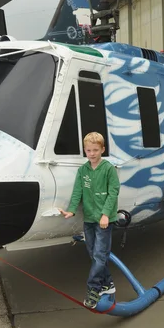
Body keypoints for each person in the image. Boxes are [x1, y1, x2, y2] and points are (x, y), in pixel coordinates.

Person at [59, 132, 120, 309]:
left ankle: (94, 289)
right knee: (94, 254)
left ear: (102, 149)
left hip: (104, 221)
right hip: (89, 219)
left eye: (95, 150)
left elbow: (113, 192)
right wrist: (71, 210)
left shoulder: (108, 168)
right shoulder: (83, 170)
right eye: (88, 150)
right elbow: (78, 191)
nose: (92, 154)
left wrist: (106, 214)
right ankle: (108, 283)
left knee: (100, 255)